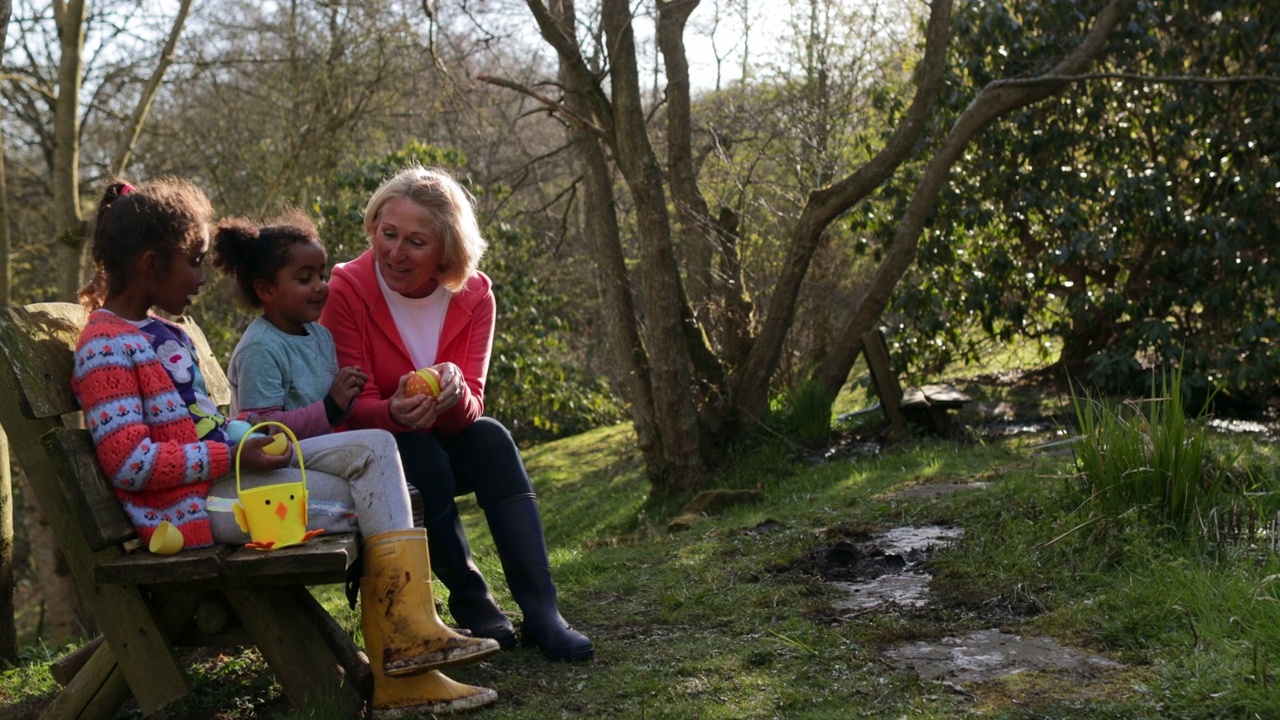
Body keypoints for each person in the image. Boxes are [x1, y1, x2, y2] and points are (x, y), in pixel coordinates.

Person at [71, 179, 498, 717]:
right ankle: (401, 665)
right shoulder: (105, 347)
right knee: (375, 498)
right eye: (195, 263)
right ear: (152, 264)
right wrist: (236, 454)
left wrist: (250, 438)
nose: (204, 279)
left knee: (375, 446)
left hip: (230, 481)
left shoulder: (167, 333)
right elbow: (131, 464)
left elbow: (205, 425)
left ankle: (409, 637)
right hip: (191, 511)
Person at [320, 166, 593, 662]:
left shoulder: (474, 295)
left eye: (416, 242)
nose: (395, 253)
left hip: (450, 435)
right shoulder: (347, 289)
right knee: (418, 450)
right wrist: (396, 412)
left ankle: (544, 613)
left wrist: (453, 391)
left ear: (446, 249)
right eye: (388, 234)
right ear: (374, 226)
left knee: (491, 437)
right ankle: (475, 603)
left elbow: (472, 409)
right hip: (382, 446)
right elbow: (346, 407)